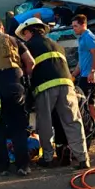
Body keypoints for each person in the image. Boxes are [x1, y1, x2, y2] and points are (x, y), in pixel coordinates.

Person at [15, 17, 89, 169]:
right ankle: (83, 158)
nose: (25, 37)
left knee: (45, 123)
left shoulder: (28, 46)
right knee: (73, 121)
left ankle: (48, 158)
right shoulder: (57, 45)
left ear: (29, 31)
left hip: (45, 87)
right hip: (67, 85)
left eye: (25, 34)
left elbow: (26, 69)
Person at [0, 16, 34, 177]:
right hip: (15, 86)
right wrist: (22, 76)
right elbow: (31, 62)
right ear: (2, 28)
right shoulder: (14, 40)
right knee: (18, 128)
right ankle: (23, 166)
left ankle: (2, 167)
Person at [70, 14, 95, 137]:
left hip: (89, 76)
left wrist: (92, 72)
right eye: (73, 26)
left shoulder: (88, 37)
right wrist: (73, 75)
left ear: (84, 24)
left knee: (81, 103)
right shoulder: (82, 38)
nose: (74, 29)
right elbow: (82, 60)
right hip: (86, 74)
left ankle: (87, 130)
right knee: (91, 103)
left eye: (76, 26)